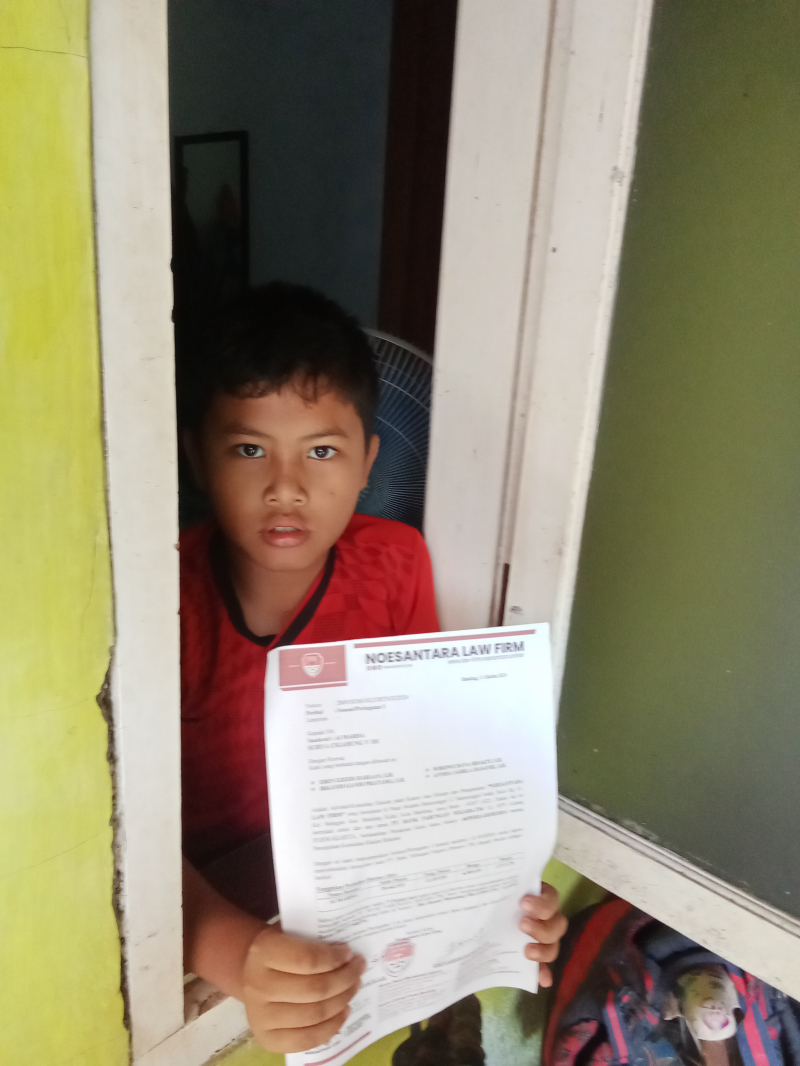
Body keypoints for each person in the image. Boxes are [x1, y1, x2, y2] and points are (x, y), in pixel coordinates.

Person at [178, 282, 568, 1054]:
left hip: (358, 900)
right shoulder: (165, 604)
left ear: (369, 464)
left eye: (322, 451)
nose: (286, 487)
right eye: (249, 449)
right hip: (216, 896)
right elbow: (117, 837)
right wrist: (228, 951)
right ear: (197, 457)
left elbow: (421, 755)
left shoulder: (394, 562)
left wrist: (500, 896)